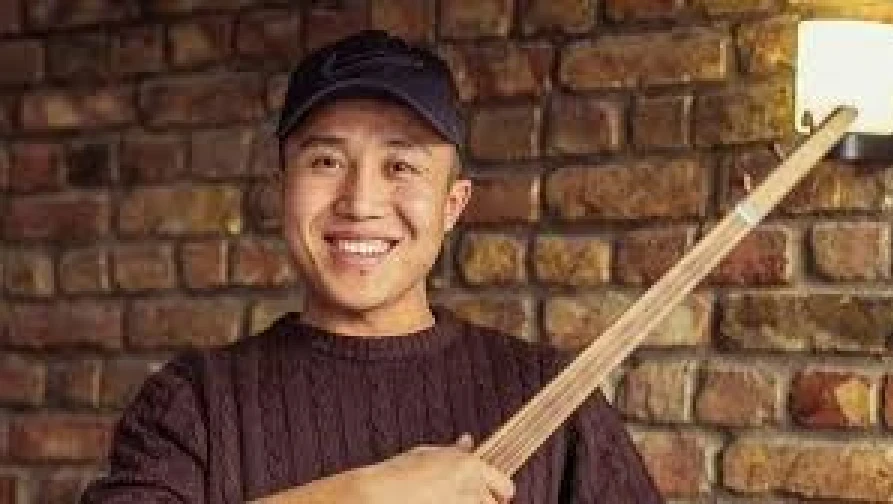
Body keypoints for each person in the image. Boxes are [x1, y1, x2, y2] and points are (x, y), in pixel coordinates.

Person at [80, 30, 663, 504]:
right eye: (326, 161)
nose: (359, 203)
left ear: (452, 204)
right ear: (282, 191)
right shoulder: (193, 403)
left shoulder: (552, 400)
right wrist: (368, 495)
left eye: (401, 166)